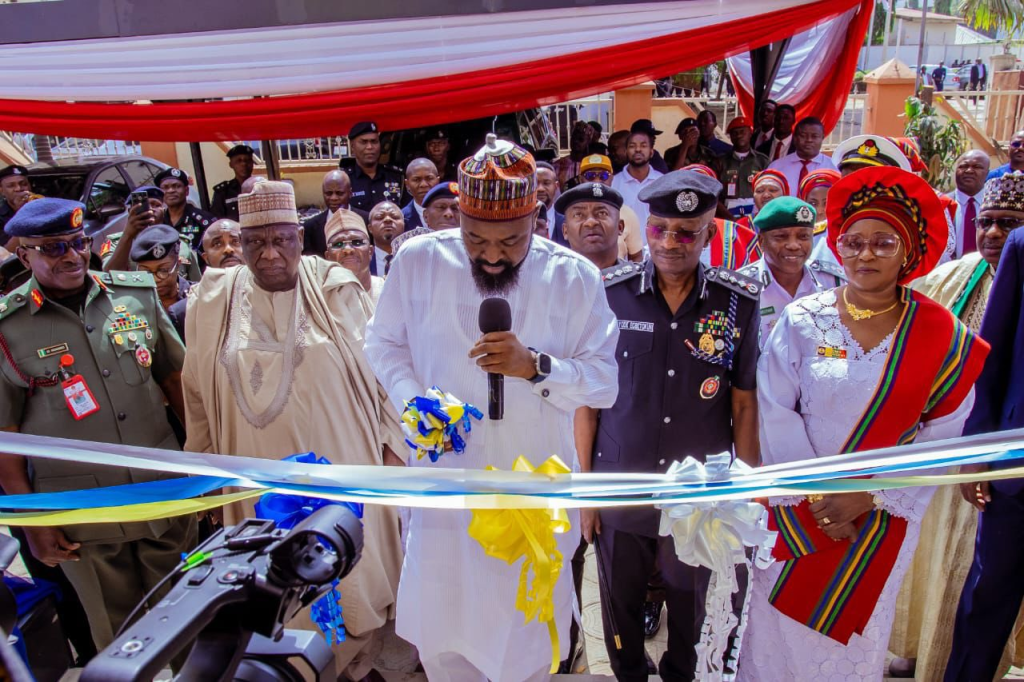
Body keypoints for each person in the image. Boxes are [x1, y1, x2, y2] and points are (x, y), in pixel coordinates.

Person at [364, 134, 619, 682]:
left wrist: (539, 368)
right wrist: (415, 403)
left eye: (511, 240)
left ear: (536, 219)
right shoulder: (417, 261)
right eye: (476, 239)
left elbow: (603, 384)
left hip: (531, 495)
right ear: (458, 220)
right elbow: (382, 344)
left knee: (527, 645)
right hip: (445, 491)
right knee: (444, 642)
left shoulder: (574, 277)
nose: (493, 254)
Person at [738, 166, 988, 681]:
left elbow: (945, 431)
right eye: (853, 243)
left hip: (882, 520)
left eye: (882, 243)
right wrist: (817, 497)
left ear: (909, 250)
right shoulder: (804, 318)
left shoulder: (941, 334)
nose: (865, 254)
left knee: (853, 641)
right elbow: (774, 407)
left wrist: (868, 494)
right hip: (796, 510)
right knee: (775, 634)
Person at [181, 180, 407, 681]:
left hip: (345, 463)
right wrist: (204, 466)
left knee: (352, 579)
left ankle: (356, 663)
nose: (267, 254)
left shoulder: (336, 287)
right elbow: (195, 389)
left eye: (280, 239)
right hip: (256, 473)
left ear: (299, 238)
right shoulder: (212, 298)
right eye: (254, 242)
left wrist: (395, 449)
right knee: (272, 585)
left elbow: (387, 370)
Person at [0, 198, 197, 651]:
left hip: (163, 489)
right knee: (121, 640)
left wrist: (205, 468)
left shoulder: (136, 295)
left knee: (190, 621)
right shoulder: (8, 328)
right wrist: (33, 522)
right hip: (83, 516)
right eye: (53, 248)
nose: (72, 256)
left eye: (77, 242)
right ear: (24, 254)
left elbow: (175, 382)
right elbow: (5, 436)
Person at [590, 170, 760, 681]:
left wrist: (746, 493)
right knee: (619, 612)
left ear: (709, 232)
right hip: (622, 480)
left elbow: (744, 403)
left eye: (686, 232)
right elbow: (589, 403)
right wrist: (587, 493)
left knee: (693, 611)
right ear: (643, 226)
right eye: (660, 228)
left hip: (700, 495)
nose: (669, 243)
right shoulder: (608, 293)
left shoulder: (738, 301)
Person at [887, 173, 1023, 681]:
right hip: (958, 447)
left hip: (989, 453)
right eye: (986, 222)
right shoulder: (954, 277)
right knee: (951, 567)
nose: (992, 234)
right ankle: (926, 650)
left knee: (976, 571)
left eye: (1007, 224)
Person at [943, 172, 1024, 682]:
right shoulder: (1022, 245)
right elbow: (992, 361)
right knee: (987, 595)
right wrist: (978, 449)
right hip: (1016, 466)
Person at [738, 196, 845, 350]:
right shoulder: (740, 286)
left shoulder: (834, 282)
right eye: (781, 237)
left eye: (803, 236)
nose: (794, 245)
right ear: (761, 241)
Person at [102, 186, 203, 282]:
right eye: (145, 205)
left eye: (156, 205)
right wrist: (128, 235)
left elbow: (196, 286)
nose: (151, 209)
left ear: (163, 211)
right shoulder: (116, 243)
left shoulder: (180, 242)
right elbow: (108, 275)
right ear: (130, 211)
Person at [167, 219, 243, 341]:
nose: (228, 249)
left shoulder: (273, 294)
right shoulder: (185, 311)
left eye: (235, 241)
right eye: (217, 244)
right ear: (206, 258)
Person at [579, 154, 642, 262]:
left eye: (604, 176)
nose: (597, 181)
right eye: (590, 176)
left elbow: (636, 257)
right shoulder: (572, 213)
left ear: (612, 178)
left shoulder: (626, 213)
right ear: (581, 179)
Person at [302, 170, 371, 257]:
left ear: (350, 193)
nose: (333, 198)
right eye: (328, 193)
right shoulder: (310, 228)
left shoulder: (366, 220)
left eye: (339, 193)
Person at [323, 205, 384, 304]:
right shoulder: (321, 302)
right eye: (338, 244)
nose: (348, 249)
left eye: (357, 242)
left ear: (370, 251)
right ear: (328, 257)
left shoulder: (387, 290)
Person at [388, 180, 460, 262]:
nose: (449, 214)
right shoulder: (408, 247)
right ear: (426, 216)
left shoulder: (474, 249)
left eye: (455, 209)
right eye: (441, 207)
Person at [341, 121, 404, 213]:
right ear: (352, 147)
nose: (370, 147)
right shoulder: (344, 179)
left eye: (374, 142)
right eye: (364, 142)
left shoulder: (396, 177)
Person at [612, 128, 664, 240]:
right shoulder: (614, 183)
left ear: (651, 152)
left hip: (655, 251)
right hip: (624, 253)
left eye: (643, 145)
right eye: (632, 146)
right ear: (626, 152)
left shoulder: (663, 182)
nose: (638, 149)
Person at [130, 224, 191, 313]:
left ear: (178, 264)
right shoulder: (132, 303)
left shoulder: (197, 296)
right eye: (146, 272)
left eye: (163, 270)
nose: (155, 279)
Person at [767, 117, 837, 195]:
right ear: (795, 138)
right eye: (803, 135)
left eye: (814, 136)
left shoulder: (834, 168)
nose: (809, 140)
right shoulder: (776, 167)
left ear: (822, 138)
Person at [154, 167, 215, 251]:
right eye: (165, 187)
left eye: (176, 186)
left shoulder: (202, 220)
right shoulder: (158, 221)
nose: (171, 190)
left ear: (186, 191)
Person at [720, 116, 769, 218]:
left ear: (750, 133)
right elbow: (714, 195)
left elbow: (769, 191)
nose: (739, 136)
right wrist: (729, 217)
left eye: (743, 132)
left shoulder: (762, 160)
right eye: (735, 133)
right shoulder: (721, 161)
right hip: (728, 213)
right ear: (731, 137)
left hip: (756, 212)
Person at [947, 150, 992, 258]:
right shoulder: (941, 204)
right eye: (963, 166)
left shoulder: (995, 206)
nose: (969, 170)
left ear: (987, 172)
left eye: (977, 167)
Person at [798, 168, 842, 249]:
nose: (819, 211)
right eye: (813, 203)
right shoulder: (795, 236)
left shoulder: (848, 235)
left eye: (826, 203)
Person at [211, 144, 255, 221]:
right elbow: (218, 221)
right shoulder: (223, 192)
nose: (244, 164)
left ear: (252, 163)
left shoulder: (262, 187)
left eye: (247, 160)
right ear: (231, 165)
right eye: (239, 161)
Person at [401, 157, 440, 231]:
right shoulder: (401, 218)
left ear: (438, 181)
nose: (423, 184)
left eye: (429, 178)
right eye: (416, 180)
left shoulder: (453, 213)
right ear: (407, 184)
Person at [367, 200, 404, 277]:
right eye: (380, 217)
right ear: (370, 228)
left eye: (394, 217)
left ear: (404, 225)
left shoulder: (415, 256)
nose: (388, 219)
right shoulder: (363, 260)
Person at [0, 165, 34, 246]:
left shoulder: (44, 206)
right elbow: (6, 253)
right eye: (11, 186)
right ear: (2, 191)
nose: (19, 189)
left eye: (24, 184)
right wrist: (23, 212)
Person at [554, 121, 593, 189]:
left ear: (588, 142)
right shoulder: (558, 165)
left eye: (581, 139)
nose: (576, 141)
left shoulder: (592, 166)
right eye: (574, 138)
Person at [535, 161, 566, 243]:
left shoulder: (568, 223)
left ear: (556, 186)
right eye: (535, 183)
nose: (540, 189)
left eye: (546, 183)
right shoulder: (517, 224)